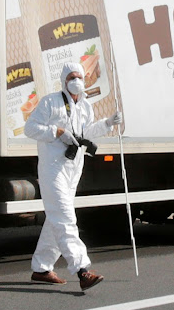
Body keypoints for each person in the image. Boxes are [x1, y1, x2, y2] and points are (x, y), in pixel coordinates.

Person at [24, 62, 122, 291]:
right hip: (52, 168)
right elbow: (30, 128)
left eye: (79, 77)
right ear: (64, 80)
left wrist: (107, 124)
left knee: (55, 219)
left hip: (73, 168)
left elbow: (86, 132)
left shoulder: (86, 106)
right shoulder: (50, 102)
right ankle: (82, 270)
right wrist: (57, 132)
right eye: (71, 77)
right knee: (65, 217)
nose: (76, 81)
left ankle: (41, 267)